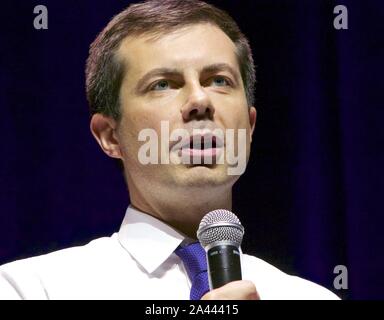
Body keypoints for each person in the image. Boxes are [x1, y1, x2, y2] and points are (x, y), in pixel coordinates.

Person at [0, 0, 339, 300]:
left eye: (218, 80)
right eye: (163, 84)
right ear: (109, 135)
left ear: (249, 127)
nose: (200, 100)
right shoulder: (30, 289)